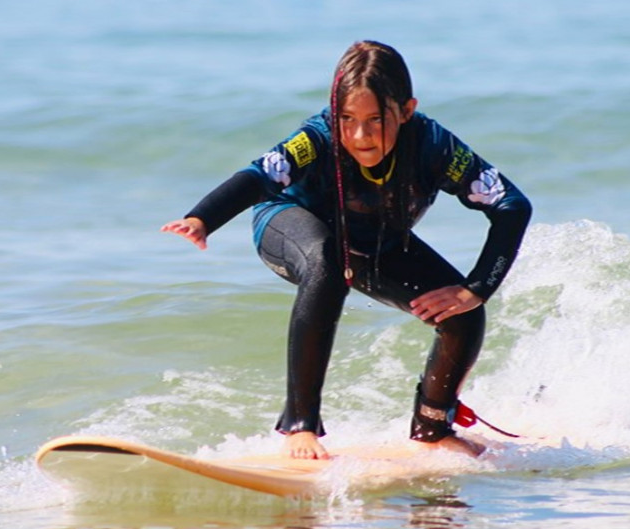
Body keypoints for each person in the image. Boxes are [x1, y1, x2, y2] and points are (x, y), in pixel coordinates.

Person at [161, 41, 532, 459]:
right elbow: (260, 175)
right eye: (347, 119)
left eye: (376, 120)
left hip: (373, 240)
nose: (360, 136)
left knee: (463, 314)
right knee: (327, 260)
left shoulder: (434, 146)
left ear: (407, 110)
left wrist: (476, 288)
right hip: (287, 223)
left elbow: (511, 205)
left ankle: (433, 427)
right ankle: (301, 428)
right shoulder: (317, 137)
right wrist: (202, 218)